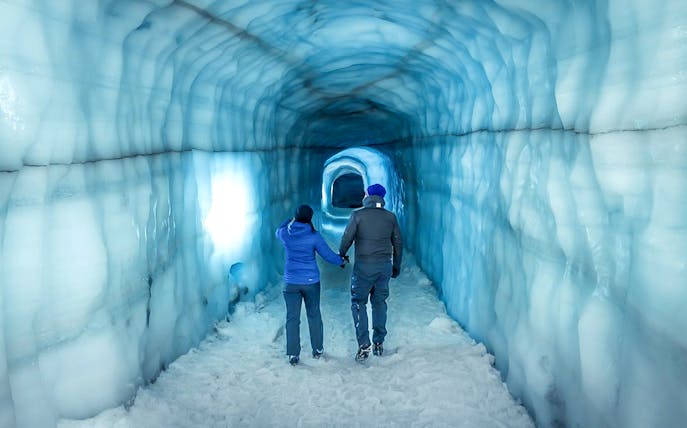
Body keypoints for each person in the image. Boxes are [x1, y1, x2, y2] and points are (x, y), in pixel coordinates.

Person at [276, 204, 346, 366]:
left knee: (292, 318)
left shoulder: (286, 233)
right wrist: (341, 261)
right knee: (314, 315)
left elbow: (278, 229)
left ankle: (293, 354)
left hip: (291, 282)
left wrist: (290, 219)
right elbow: (327, 255)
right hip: (310, 282)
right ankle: (317, 349)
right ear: (310, 218)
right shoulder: (314, 236)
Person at [339, 183, 402, 361]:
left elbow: (347, 238)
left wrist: (341, 256)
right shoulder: (390, 217)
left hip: (364, 267)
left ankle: (364, 344)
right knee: (379, 302)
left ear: (368, 195)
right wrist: (396, 265)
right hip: (384, 267)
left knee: (358, 302)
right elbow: (398, 242)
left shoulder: (358, 215)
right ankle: (379, 342)